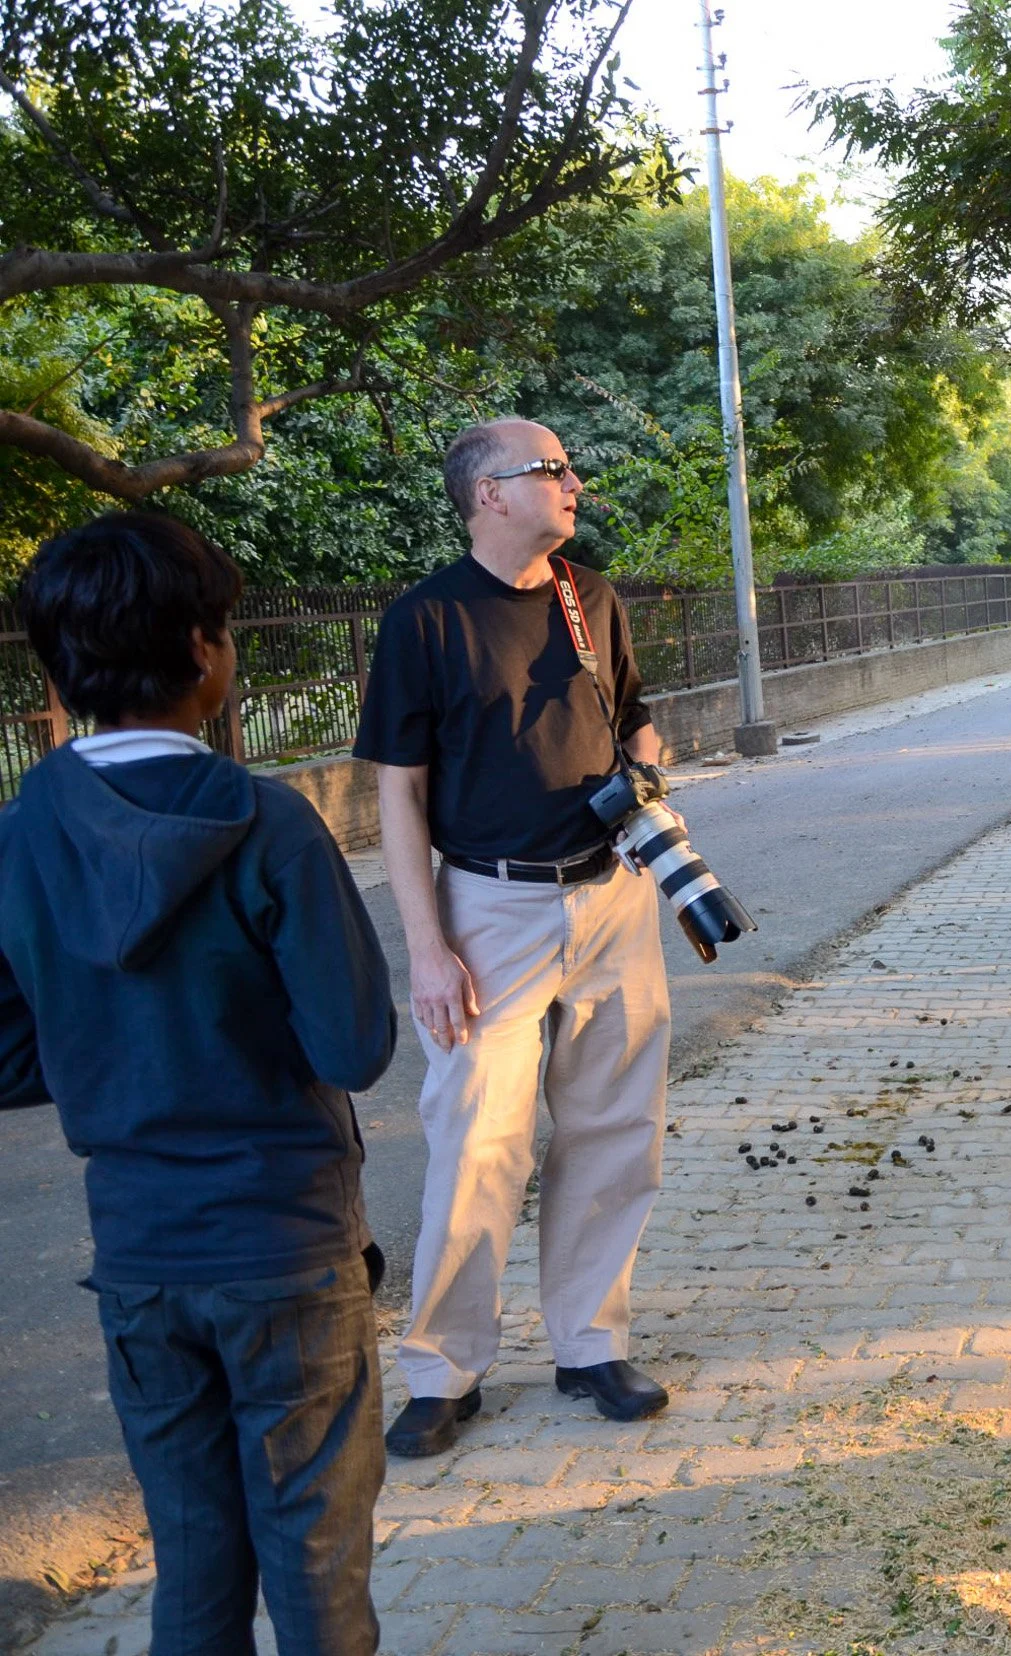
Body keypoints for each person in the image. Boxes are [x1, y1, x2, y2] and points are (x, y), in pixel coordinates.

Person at [0, 513, 398, 1654]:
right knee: (316, 1555)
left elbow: (6, 1051)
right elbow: (352, 1043)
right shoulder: (268, 822)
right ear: (205, 647)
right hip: (285, 1243)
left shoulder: (21, 838)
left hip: (138, 1253)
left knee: (194, 1557)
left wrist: (117, 1060)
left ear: (55, 665)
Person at [354, 418, 673, 1458]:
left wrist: (648, 770)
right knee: (475, 1145)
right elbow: (397, 792)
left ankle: (590, 1342)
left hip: (613, 896)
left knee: (615, 1129)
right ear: (491, 492)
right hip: (487, 907)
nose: (575, 483)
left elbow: (634, 719)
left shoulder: (592, 599)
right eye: (554, 470)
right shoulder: (425, 619)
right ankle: (444, 1371)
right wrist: (427, 945)